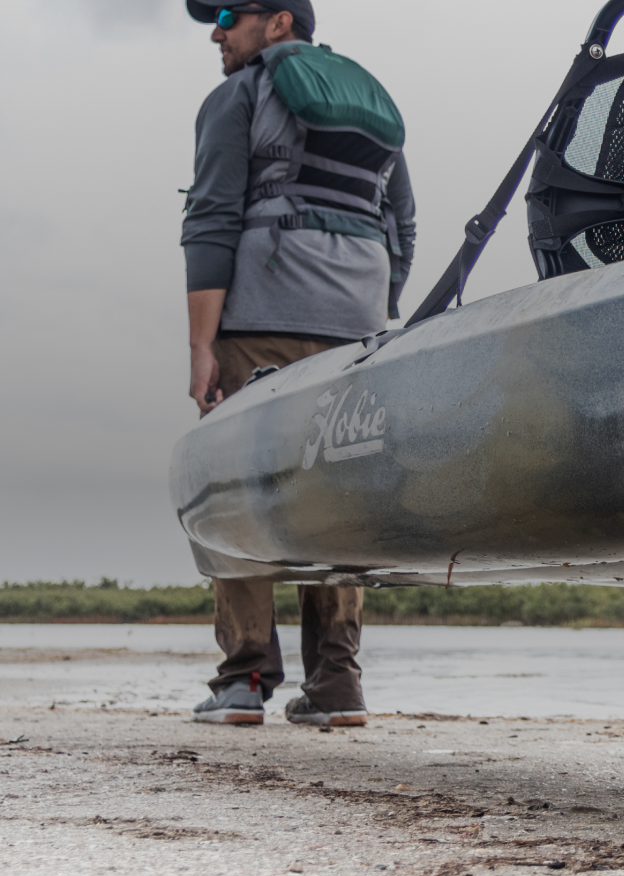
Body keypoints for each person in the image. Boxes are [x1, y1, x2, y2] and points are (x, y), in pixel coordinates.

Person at [180, 0, 415, 727]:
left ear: (279, 22)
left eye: (228, 14)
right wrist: (373, 305)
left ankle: (245, 678)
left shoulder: (240, 94)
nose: (217, 31)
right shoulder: (368, 97)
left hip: (259, 321)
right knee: (338, 496)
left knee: (233, 489)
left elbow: (212, 217)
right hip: (355, 329)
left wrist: (201, 346)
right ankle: (337, 685)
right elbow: (402, 222)